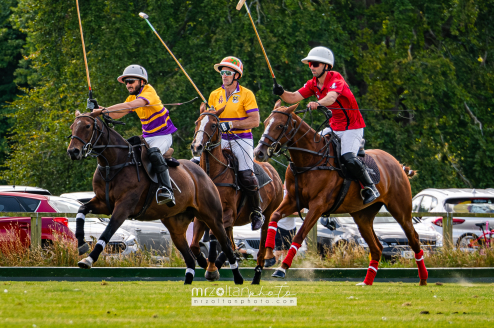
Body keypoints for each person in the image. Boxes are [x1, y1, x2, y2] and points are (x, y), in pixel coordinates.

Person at [272, 47, 379, 205]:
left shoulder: (337, 80)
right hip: (335, 127)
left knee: (347, 157)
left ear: (327, 66)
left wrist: (318, 103)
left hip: (352, 128)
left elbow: (331, 97)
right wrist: (281, 92)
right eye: (310, 64)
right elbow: (293, 97)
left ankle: (370, 187)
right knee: (313, 149)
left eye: (315, 64)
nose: (312, 67)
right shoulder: (313, 84)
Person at [193, 56, 264, 230]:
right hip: (220, 140)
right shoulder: (214, 94)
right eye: (222, 72)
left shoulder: (246, 94)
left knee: (246, 175)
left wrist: (231, 124)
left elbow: (255, 121)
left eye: (227, 73)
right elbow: (210, 117)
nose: (224, 75)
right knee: (196, 167)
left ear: (236, 76)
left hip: (241, 139)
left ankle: (256, 211)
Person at [93, 64, 177, 206]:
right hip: (146, 137)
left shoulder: (149, 92)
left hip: (162, 136)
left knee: (154, 153)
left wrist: (102, 110)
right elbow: (116, 114)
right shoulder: (132, 97)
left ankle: (167, 190)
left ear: (142, 81)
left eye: (131, 81)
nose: (128, 85)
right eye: (126, 82)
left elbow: (131, 106)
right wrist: (100, 109)